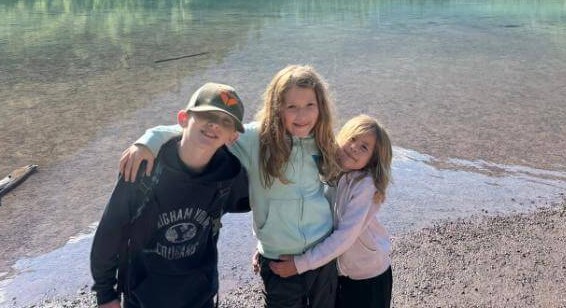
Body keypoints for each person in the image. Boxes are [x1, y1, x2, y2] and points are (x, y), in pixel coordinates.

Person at [120, 65, 340, 308]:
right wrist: (149, 141)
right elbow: (192, 133)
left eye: (310, 105)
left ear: (321, 106)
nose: (303, 115)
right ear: (278, 108)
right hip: (278, 256)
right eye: (292, 107)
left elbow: (343, 174)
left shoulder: (322, 140)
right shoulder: (258, 139)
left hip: (321, 250)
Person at [90, 82, 250, 308]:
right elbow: (110, 232)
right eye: (207, 116)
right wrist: (105, 293)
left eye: (225, 122)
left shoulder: (229, 175)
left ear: (232, 136)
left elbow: (266, 200)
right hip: (144, 298)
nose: (214, 125)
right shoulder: (144, 167)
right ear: (183, 119)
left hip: (200, 297)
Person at [269, 115, 393, 308]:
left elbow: (344, 237)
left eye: (364, 147)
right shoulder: (328, 170)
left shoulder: (365, 186)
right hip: (337, 273)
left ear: (372, 159)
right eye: (353, 139)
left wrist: (299, 264)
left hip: (368, 276)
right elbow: (302, 209)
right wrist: (267, 248)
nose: (354, 148)